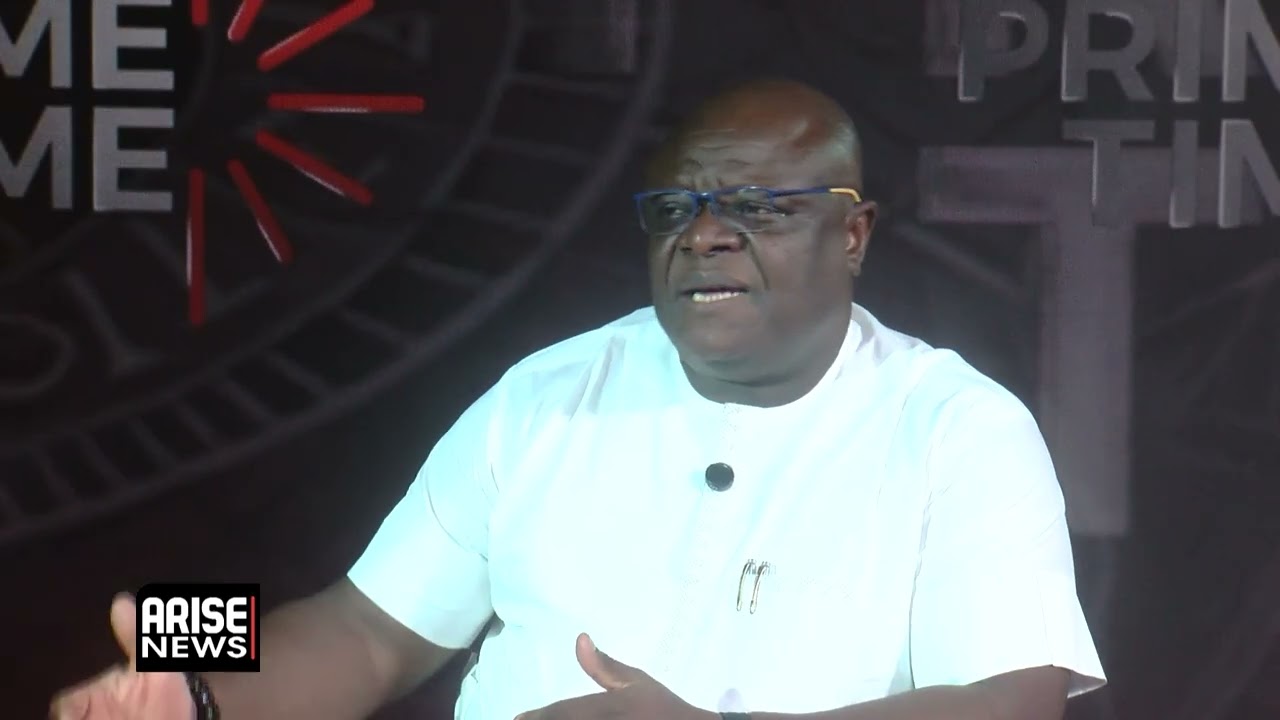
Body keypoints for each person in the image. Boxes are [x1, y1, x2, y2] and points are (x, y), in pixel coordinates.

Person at [50, 78, 1106, 720]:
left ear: (854, 233)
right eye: (677, 209)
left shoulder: (959, 428)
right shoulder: (546, 396)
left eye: (755, 208)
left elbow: (1010, 702)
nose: (706, 235)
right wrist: (194, 671)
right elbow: (362, 629)